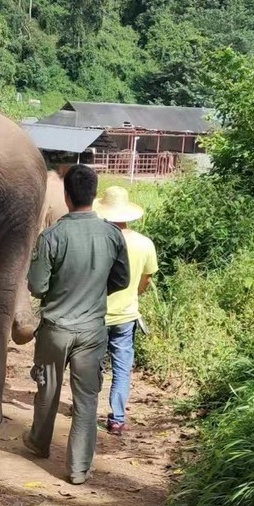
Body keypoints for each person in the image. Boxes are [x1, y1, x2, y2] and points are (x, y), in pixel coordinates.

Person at [23, 164, 130, 485]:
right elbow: (122, 280)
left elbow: (37, 287)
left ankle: (39, 443)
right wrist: (94, 292)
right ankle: (78, 468)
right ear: (94, 196)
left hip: (56, 329)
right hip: (92, 332)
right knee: (86, 400)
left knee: (48, 389)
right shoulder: (113, 235)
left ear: (66, 196)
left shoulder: (52, 236)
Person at [94, 185, 159, 436]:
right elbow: (146, 281)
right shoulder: (144, 244)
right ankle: (117, 419)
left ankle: (87, 408)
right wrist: (135, 293)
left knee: (93, 364)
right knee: (121, 368)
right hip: (127, 316)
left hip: (97, 315)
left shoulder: (98, 241)